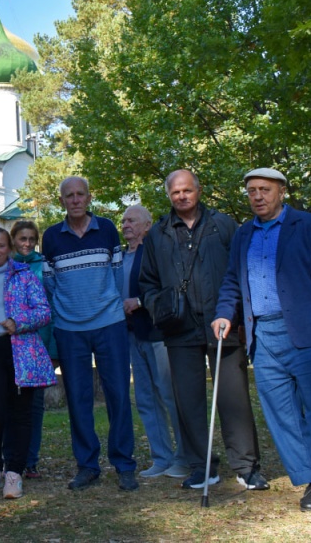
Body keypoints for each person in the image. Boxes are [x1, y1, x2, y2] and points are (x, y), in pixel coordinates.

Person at [213, 168, 311, 512]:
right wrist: (224, 313)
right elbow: (233, 280)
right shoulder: (243, 234)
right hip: (263, 336)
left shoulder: (307, 225)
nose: (257, 196)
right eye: (251, 190)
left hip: (308, 333)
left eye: (264, 189)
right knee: (283, 415)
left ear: (281, 192)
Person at [138, 169, 267, 491]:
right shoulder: (158, 234)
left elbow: (241, 271)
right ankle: (202, 465)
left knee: (233, 398)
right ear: (168, 195)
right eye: (175, 193)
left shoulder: (223, 225)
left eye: (187, 190)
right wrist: (160, 309)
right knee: (188, 402)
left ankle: (246, 466)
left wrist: (235, 314)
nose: (182, 197)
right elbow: (147, 283)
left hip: (223, 325)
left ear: (198, 190)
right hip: (179, 330)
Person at [41, 176, 138, 493]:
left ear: (89, 197)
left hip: (109, 324)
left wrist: (103, 305)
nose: (75, 199)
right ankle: (87, 466)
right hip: (71, 329)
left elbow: (116, 273)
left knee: (118, 396)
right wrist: (69, 311)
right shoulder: (52, 237)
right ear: (62, 200)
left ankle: (124, 465)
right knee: (79, 399)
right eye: (68, 195)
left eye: (80, 194)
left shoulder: (107, 229)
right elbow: (50, 283)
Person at [0, 227, 56, 499]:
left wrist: (19, 322)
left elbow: (43, 312)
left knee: (20, 413)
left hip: (19, 351)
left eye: (1, 245)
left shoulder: (24, 276)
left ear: (9, 248)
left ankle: (15, 471)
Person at [120, 205, 190, 479]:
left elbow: (172, 286)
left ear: (147, 226)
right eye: (124, 220)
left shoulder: (157, 250)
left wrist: (138, 301)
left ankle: (185, 457)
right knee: (146, 400)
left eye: (132, 220)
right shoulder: (120, 256)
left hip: (157, 333)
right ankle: (161, 459)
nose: (125, 224)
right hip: (131, 335)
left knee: (169, 395)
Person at [10, 219, 55, 480]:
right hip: (11, 345)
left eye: (31, 239)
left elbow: (51, 304)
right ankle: (10, 457)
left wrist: (52, 348)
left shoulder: (44, 266)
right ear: (13, 239)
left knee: (34, 406)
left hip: (39, 345)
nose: (26, 244)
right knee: (9, 404)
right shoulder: (4, 266)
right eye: (21, 239)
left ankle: (30, 460)